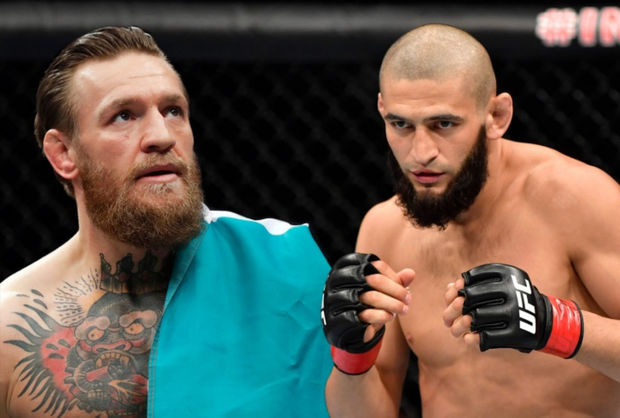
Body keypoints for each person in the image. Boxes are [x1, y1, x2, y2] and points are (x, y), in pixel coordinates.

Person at [0, 26, 332, 418]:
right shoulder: (11, 328)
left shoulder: (283, 268)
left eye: (173, 111)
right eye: (124, 116)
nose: (161, 135)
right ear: (63, 154)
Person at [321, 23, 620, 417]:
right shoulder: (384, 228)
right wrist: (351, 356)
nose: (421, 152)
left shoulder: (575, 198)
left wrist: (556, 325)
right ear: (382, 111)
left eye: (443, 124)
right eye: (401, 125)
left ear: (496, 115)